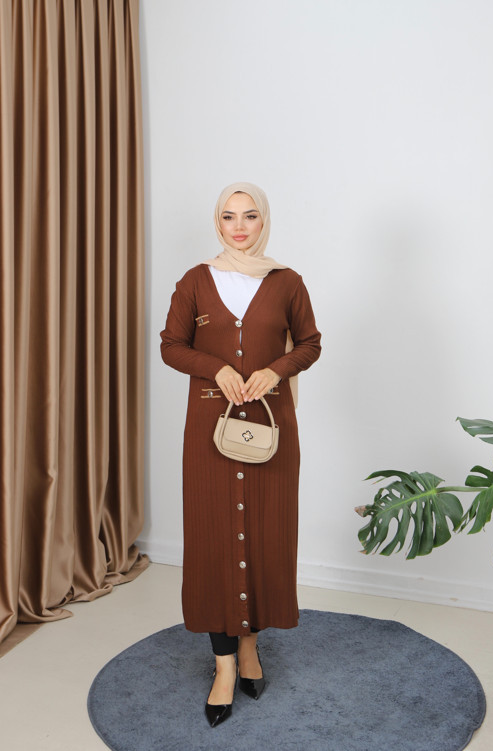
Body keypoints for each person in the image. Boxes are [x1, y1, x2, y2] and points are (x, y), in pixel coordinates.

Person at [160, 182, 321, 727]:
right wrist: (217, 368)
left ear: (263, 221)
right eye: (229, 216)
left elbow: (310, 342)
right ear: (217, 222)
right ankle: (224, 666)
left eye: (250, 216)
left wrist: (275, 369)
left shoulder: (287, 281)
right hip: (210, 430)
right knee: (214, 541)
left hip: (272, 428)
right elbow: (171, 345)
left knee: (264, 535)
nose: (239, 227)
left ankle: (250, 647)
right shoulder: (195, 281)